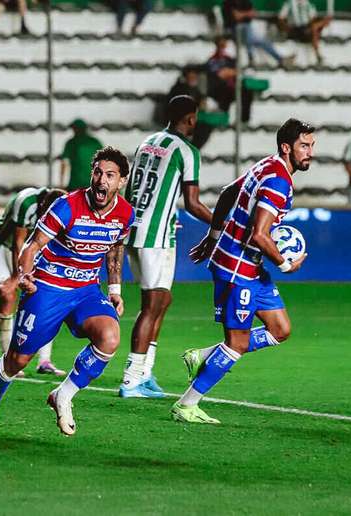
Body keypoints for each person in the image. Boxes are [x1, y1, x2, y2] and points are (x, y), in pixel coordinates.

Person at [0, 147, 135, 445]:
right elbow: (31, 246)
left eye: (110, 176)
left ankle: (63, 394)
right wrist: (23, 275)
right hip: (47, 287)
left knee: (110, 338)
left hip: (86, 290)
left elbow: (115, 248)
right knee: (17, 361)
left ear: (121, 181)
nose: (101, 180)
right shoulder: (67, 206)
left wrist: (115, 290)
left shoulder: (125, 213)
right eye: (97, 173)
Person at [174, 118, 314, 424]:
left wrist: (213, 237)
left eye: (312, 145)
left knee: (280, 330)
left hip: (248, 265)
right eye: (304, 145)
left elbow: (226, 193)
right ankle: (187, 404)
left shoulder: (266, 165)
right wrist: (286, 264)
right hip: (238, 270)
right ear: (286, 147)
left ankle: (203, 356)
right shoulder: (279, 181)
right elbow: (259, 236)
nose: (310, 152)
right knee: (236, 343)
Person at [119, 95, 213, 398]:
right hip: (155, 236)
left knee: (163, 300)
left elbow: (138, 185)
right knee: (152, 304)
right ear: (190, 118)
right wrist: (224, 224)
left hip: (137, 228)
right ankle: (131, 378)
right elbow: (194, 204)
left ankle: (145, 373)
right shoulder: (187, 151)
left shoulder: (147, 142)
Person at [0, 186, 67, 376]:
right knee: (7, 294)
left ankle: (45, 361)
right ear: (42, 206)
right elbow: (18, 243)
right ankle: (7, 358)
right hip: (1, 245)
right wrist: (17, 277)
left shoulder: (63, 208)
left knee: (43, 296)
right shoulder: (26, 202)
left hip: (32, 249)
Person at [157, 65, 214, 149]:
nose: (193, 79)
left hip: (187, 120)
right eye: (191, 77)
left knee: (205, 127)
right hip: (175, 120)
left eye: (194, 77)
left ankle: (191, 148)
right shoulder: (178, 89)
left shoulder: (196, 91)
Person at [223, 0, 290, 68]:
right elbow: (237, 17)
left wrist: (244, 14)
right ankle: (251, 60)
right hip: (235, 29)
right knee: (250, 37)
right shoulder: (229, 2)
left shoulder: (245, 2)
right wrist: (247, 14)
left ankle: (280, 59)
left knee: (263, 41)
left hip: (247, 27)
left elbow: (252, 13)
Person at [206, 36, 254, 123]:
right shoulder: (212, 60)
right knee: (225, 91)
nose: (223, 48)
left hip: (232, 87)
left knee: (247, 92)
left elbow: (237, 71)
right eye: (221, 45)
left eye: (224, 45)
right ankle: (223, 117)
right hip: (218, 88)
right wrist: (230, 72)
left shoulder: (229, 59)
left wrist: (230, 72)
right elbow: (220, 74)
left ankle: (244, 120)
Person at [278, 0, 331, 66]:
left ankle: (312, 31)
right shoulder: (289, 3)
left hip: (306, 27)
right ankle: (318, 54)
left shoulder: (308, 3)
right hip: (295, 28)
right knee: (315, 28)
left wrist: (309, 26)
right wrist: (288, 29)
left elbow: (313, 18)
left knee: (321, 23)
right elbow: (281, 18)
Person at [59, 119, 104, 191]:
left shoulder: (71, 142)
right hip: (93, 183)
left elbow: (64, 163)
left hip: (75, 184)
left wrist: (61, 184)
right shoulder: (95, 142)